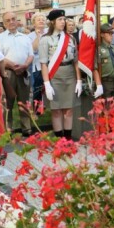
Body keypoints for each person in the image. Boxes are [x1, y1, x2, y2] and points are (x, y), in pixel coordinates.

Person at [39, 9, 82, 140]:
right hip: (54, 76)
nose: (63, 22)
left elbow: (76, 61)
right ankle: (59, 139)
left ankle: (68, 139)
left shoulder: (70, 39)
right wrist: (47, 84)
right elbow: (44, 63)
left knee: (69, 109)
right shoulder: (45, 40)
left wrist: (79, 80)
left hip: (69, 75)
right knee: (56, 110)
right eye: (60, 19)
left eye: (64, 19)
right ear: (52, 22)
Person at [0, 12, 34, 136]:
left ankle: (26, 128)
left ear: (17, 21)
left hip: (23, 71)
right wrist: (12, 65)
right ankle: (8, 128)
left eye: (13, 19)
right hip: (8, 73)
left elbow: (31, 55)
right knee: (8, 102)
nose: (11, 22)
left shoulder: (25, 37)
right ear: (4, 23)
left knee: (24, 101)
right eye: (8, 20)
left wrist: (25, 65)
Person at [92, 23, 114, 101]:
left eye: (112, 33)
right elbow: (95, 68)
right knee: (106, 108)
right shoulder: (98, 50)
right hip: (106, 82)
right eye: (109, 33)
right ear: (102, 34)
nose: (111, 35)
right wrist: (99, 85)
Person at [28, 13, 48, 113]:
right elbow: (33, 49)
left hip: (50, 64)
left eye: (43, 19)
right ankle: (38, 110)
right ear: (34, 23)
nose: (41, 21)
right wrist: (38, 35)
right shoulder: (30, 36)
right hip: (37, 65)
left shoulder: (50, 32)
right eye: (38, 19)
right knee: (38, 88)